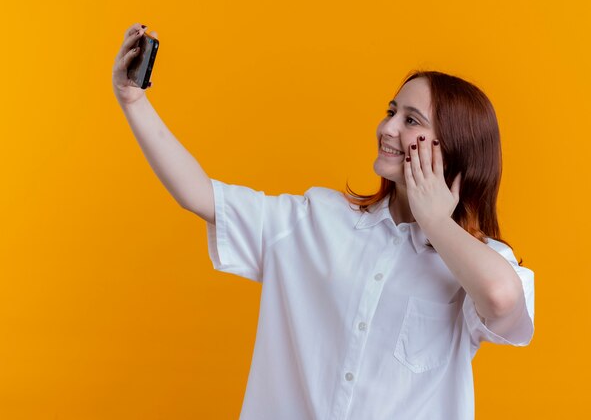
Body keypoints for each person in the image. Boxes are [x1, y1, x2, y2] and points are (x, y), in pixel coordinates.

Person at [113, 23, 535, 420]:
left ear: (454, 149)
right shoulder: (318, 219)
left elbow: (500, 300)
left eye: (411, 121)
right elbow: (200, 195)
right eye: (391, 111)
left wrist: (435, 221)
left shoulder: (483, 262)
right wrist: (134, 101)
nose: (387, 128)